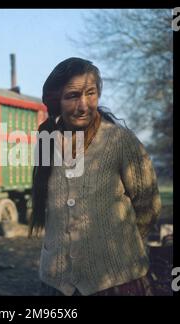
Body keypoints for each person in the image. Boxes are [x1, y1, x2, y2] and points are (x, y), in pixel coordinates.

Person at [29, 57, 162, 296]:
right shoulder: (47, 143)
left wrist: (121, 248)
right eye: (72, 96)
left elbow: (148, 205)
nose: (84, 105)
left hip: (117, 281)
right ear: (55, 101)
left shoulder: (120, 141)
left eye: (90, 93)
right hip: (57, 284)